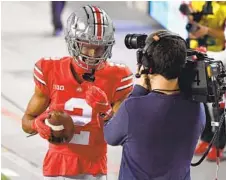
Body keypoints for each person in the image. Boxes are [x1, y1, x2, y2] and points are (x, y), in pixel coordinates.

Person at [22, 5, 133, 180]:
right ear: (73, 42)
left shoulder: (118, 76)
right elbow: (26, 121)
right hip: (57, 166)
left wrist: (106, 111)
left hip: (93, 168)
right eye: (86, 46)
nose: (92, 54)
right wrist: (37, 124)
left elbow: (121, 135)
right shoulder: (50, 70)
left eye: (100, 48)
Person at [85, 30, 206, 180]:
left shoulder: (134, 108)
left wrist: (137, 90)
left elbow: (110, 136)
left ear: (147, 64)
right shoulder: (197, 107)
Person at [186, 1, 226, 161]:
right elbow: (190, 29)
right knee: (199, 98)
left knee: (220, 104)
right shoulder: (196, 2)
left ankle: (219, 144)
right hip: (198, 57)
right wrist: (193, 26)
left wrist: (207, 30)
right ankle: (207, 137)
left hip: (219, 60)